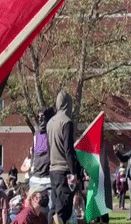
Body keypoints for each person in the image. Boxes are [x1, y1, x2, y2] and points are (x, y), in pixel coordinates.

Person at [47, 91, 81, 224]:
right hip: (64, 171)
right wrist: (74, 173)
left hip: (53, 170)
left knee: (54, 208)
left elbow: (49, 147)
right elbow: (68, 150)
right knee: (63, 211)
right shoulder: (66, 122)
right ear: (68, 104)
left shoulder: (50, 122)